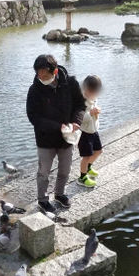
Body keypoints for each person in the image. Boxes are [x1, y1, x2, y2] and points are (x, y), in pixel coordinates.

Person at [26, 54, 85, 213]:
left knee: (65, 169)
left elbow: (80, 104)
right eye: (38, 74)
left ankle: (60, 194)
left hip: (67, 138)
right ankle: (43, 200)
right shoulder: (34, 90)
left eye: (45, 74)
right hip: (45, 139)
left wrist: (76, 122)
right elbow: (34, 117)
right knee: (43, 172)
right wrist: (56, 126)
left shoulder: (70, 83)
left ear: (55, 71)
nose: (41, 77)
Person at [77, 75, 103, 188]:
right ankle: (82, 177)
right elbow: (79, 118)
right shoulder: (81, 102)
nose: (95, 94)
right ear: (86, 90)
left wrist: (96, 112)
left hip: (93, 130)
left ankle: (88, 167)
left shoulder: (94, 99)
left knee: (99, 151)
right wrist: (91, 113)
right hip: (84, 133)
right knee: (86, 156)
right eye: (93, 92)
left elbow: (94, 116)